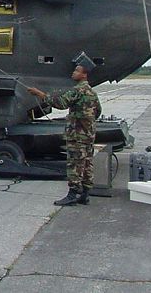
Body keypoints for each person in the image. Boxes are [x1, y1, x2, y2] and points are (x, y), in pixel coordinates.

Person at [27, 56, 102, 206]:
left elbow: (60, 103)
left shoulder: (77, 90)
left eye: (77, 71)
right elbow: (98, 111)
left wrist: (39, 94)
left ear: (84, 74)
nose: (73, 73)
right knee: (87, 163)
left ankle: (73, 194)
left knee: (75, 164)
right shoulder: (91, 92)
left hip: (77, 135)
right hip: (88, 135)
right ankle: (85, 194)